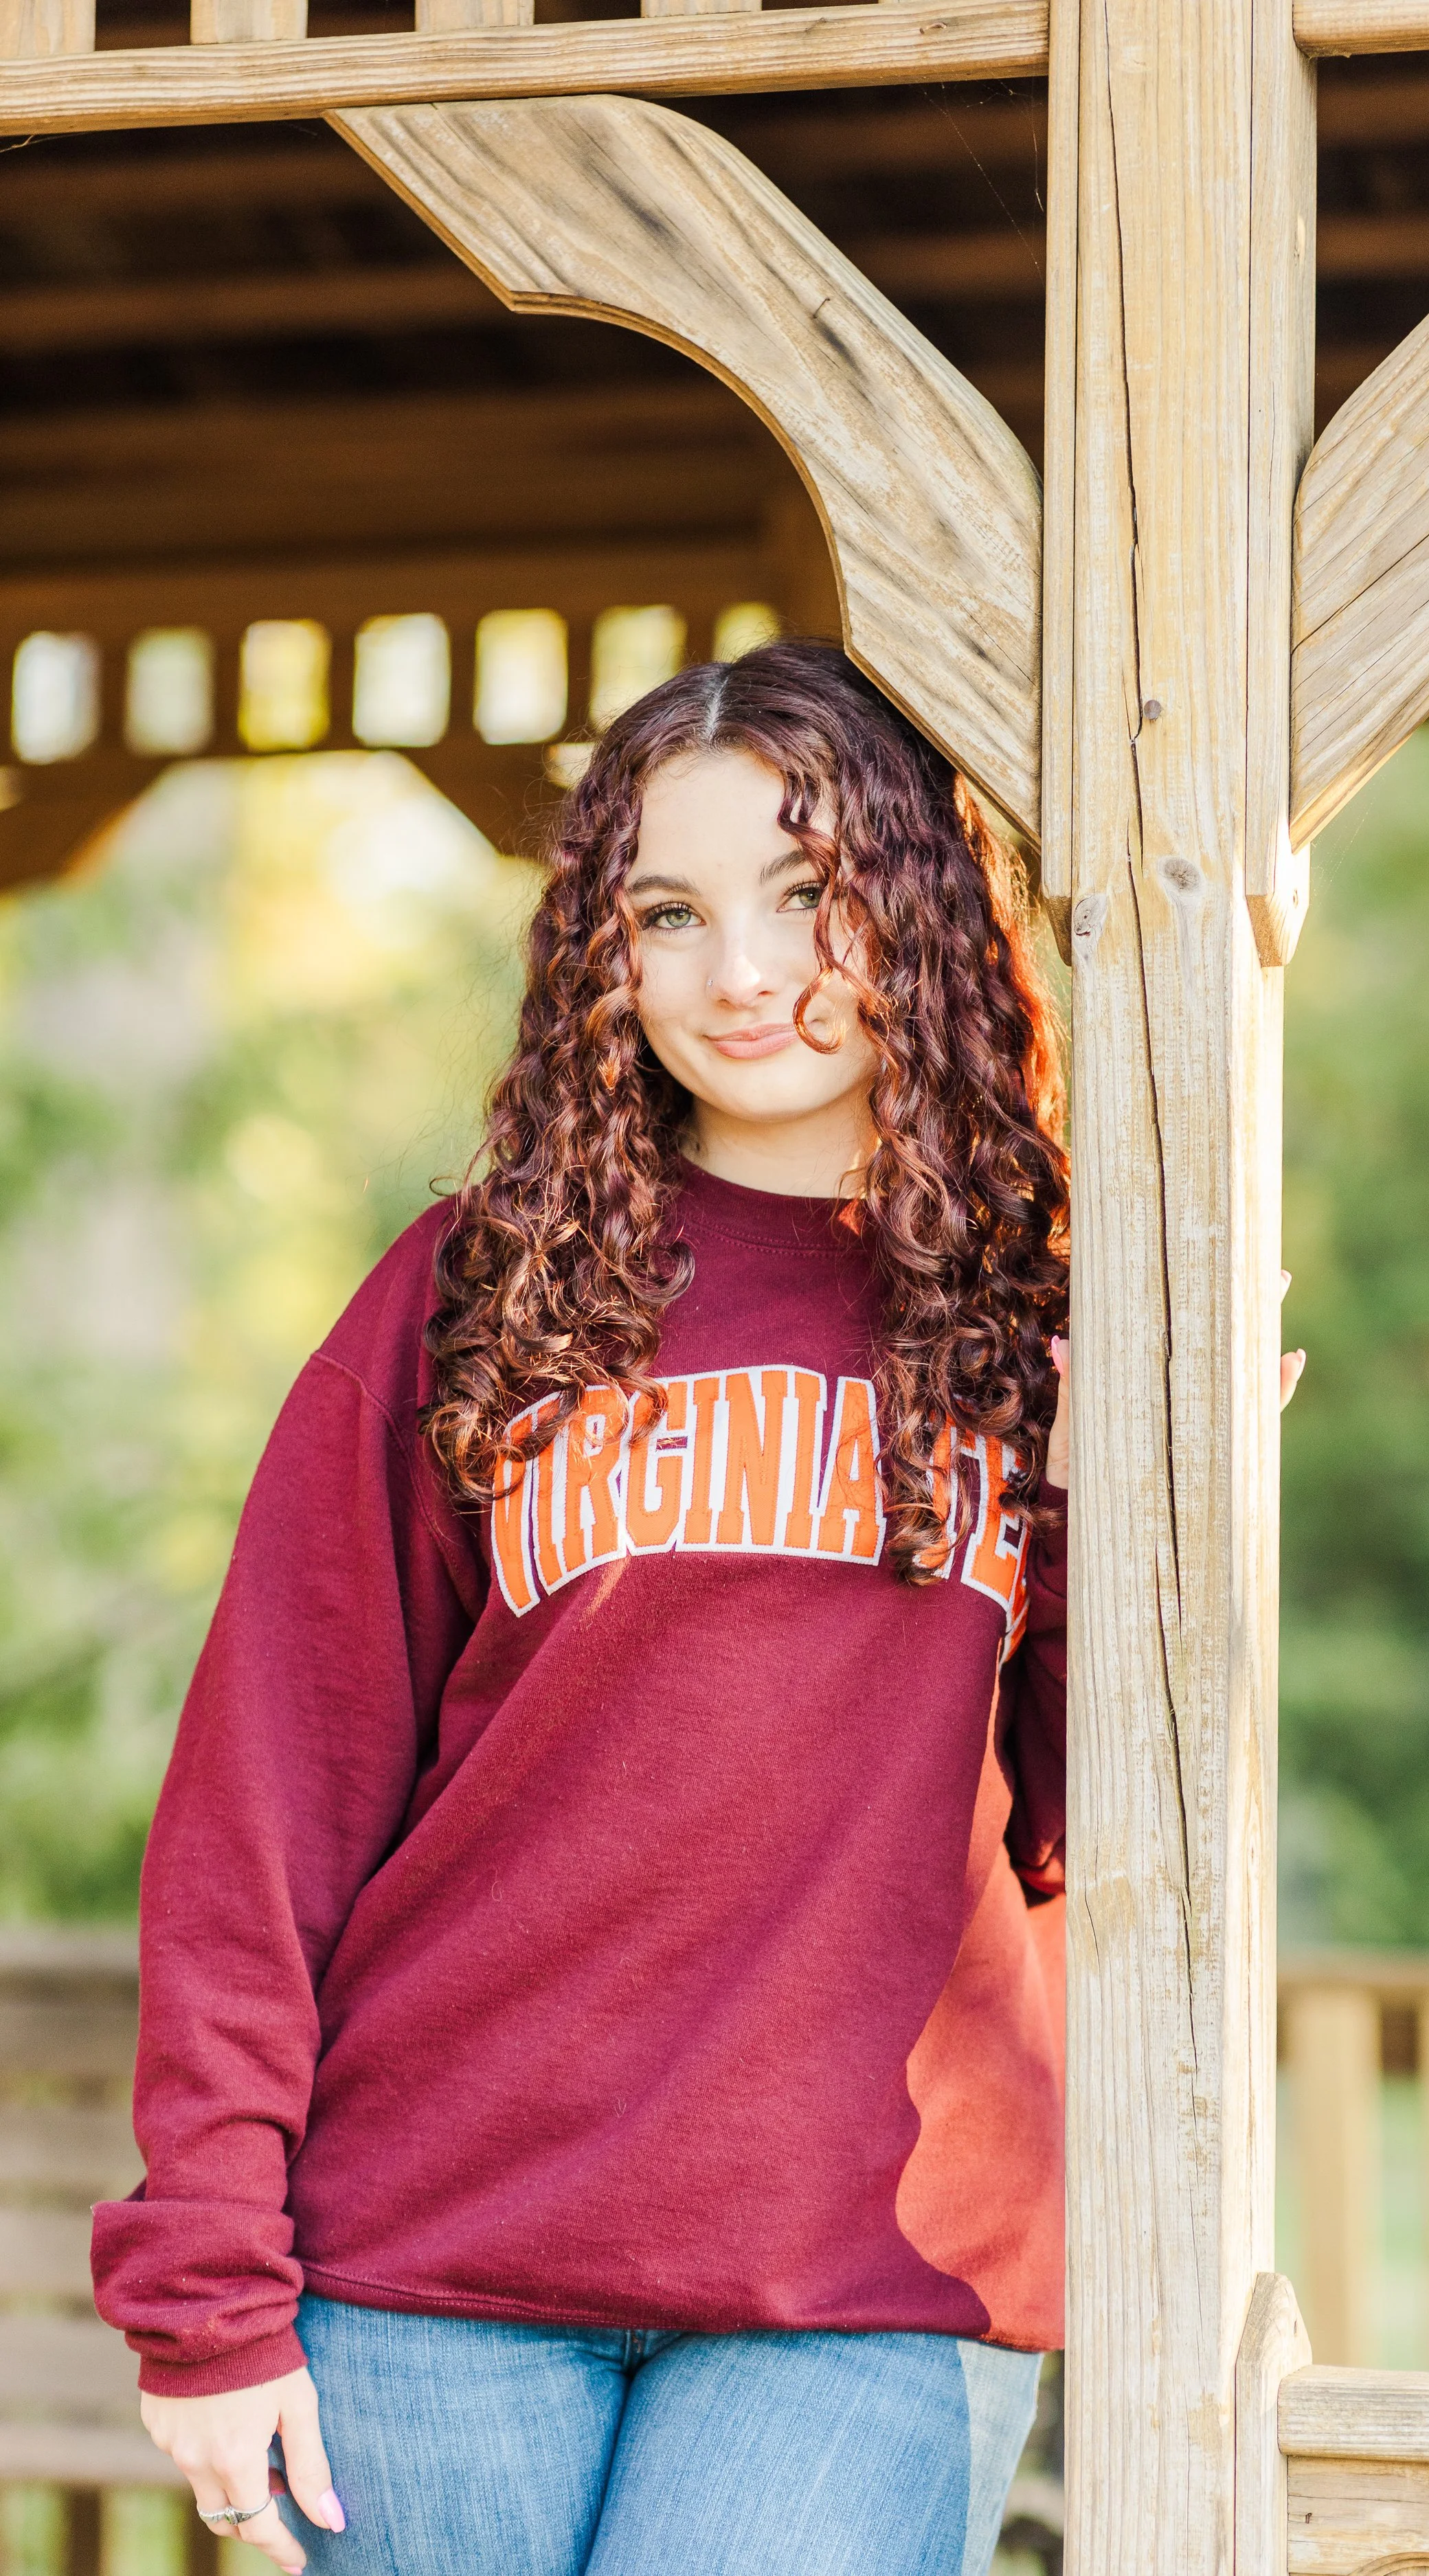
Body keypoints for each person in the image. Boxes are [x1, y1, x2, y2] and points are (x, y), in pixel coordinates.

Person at [92, 642, 1079, 2576]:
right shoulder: (475, 1295)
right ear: (599, 956)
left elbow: (1078, 1827)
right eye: (671, 913)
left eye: (811, 896)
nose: (741, 971)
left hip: (863, 2266)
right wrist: (207, 2277)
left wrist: (1175, 1504)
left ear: (925, 909)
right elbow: (265, 1804)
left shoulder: (1046, 1337)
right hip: (430, 2263)